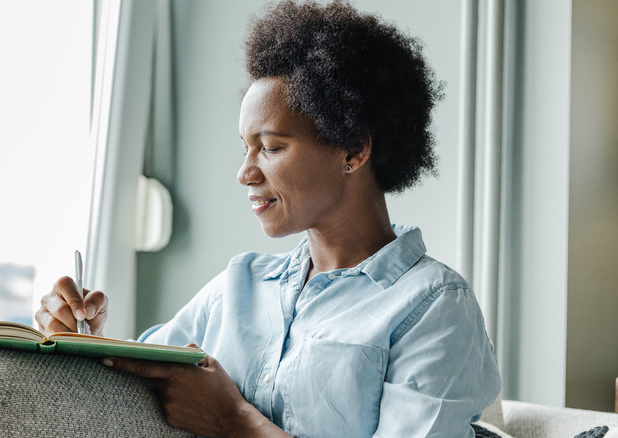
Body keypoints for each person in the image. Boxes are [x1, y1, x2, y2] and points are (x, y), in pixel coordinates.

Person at [35, 1, 501, 437]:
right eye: (246, 148)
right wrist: (81, 339)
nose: (245, 173)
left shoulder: (433, 308)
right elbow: (137, 386)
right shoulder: (239, 286)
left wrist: (235, 421)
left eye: (272, 147)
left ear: (354, 150)